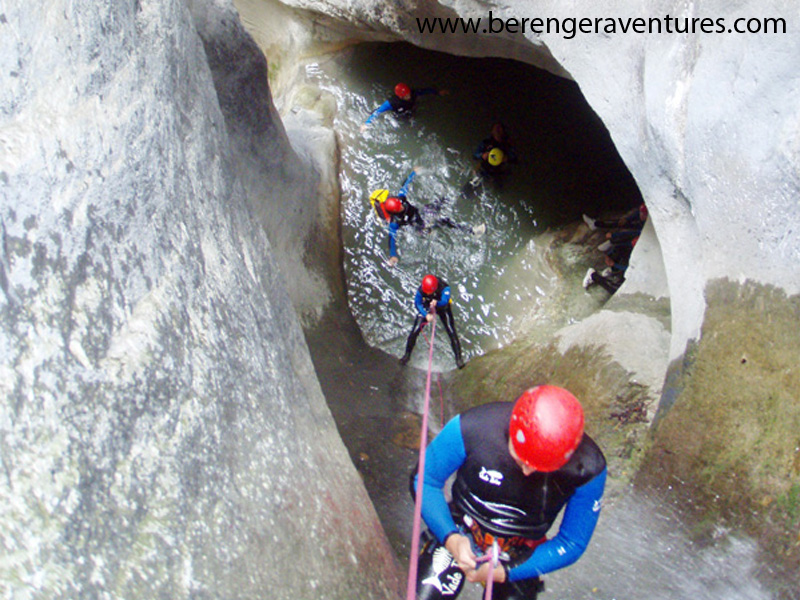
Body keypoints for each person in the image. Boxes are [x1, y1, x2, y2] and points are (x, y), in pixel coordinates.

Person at [411, 385, 607, 600]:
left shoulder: (587, 468)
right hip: (462, 526)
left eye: (539, 467)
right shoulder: (474, 428)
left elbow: (572, 542)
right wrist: (451, 537)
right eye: (519, 457)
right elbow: (425, 480)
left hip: (520, 551)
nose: (526, 470)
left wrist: (507, 572)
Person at [370, 169, 485, 266]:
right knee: (444, 221)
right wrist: (393, 255)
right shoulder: (395, 222)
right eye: (399, 207)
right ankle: (472, 231)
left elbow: (405, 186)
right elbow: (392, 239)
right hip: (420, 226)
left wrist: (413, 173)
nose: (401, 206)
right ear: (395, 211)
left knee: (443, 199)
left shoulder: (401, 199)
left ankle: (468, 188)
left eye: (400, 204)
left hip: (422, 212)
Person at [399, 274, 465, 369]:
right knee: (415, 330)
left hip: (443, 307)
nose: (427, 293)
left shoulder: (444, 287)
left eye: (429, 292)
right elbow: (418, 304)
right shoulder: (421, 289)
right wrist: (426, 315)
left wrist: (438, 303)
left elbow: (445, 300)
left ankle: (459, 358)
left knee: (451, 330)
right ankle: (407, 355)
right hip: (427, 306)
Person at [361, 82, 448, 131]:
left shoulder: (413, 93)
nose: (409, 96)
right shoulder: (392, 102)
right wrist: (366, 124)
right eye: (406, 96)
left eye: (409, 94)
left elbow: (425, 91)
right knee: (405, 125)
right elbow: (378, 112)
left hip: (410, 109)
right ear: (400, 97)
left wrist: (437, 92)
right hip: (399, 114)